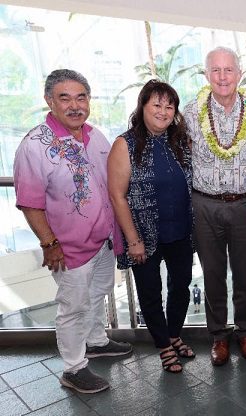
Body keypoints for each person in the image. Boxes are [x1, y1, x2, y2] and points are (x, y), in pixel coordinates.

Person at [13, 69, 133, 394]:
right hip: (68, 247)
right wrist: (49, 243)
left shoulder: (96, 136)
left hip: (103, 240)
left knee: (98, 294)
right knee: (72, 308)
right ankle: (74, 368)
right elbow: (30, 202)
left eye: (81, 97)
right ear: (49, 100)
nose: (74, 105)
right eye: (65, 97)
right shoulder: (35, 145)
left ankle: (95, 341)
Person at [183, 46, 246, 366]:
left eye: (228, 70)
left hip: (245, 206)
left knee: (245, 274)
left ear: (239, 74)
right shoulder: (191, 113)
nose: (222, 77)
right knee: (212, 274)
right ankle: (219, 336)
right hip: (204, 205)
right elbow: (179, 155)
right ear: (207, 75)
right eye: (216, 71)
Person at [108, 80, 195, 374]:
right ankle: (163, 346)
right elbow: (117, 196)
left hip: (181, 231)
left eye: (169, 106)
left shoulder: (179, 141)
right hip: (143, 235)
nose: (163, 111)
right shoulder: (126, 144)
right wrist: (133, 240)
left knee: (181, 285)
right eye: (156, 104)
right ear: (142, 106)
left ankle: (174, 334)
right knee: (150, 291)